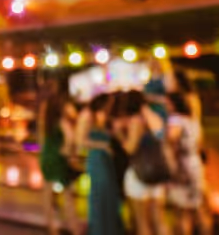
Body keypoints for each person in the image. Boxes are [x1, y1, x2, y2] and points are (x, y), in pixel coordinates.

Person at [116, 90, 169, 235]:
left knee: (142, 222)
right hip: (157, 171)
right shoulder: (155, 118)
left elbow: (130, 148)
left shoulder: (136, 121)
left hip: (139, 172)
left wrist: (120, 135)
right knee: (159, 219)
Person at [167, 93, 211, 235]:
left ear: (173, 104)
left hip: (182, 167)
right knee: (199, 209)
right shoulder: (192, 120)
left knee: (182, 213)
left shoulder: (176, 120)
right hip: (195, 164)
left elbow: (171, 140)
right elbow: (199, 143)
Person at [39, 91, 80, 235]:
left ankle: (52, 228)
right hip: (59, 158)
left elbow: (42, 140)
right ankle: (75, 229)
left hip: (46, 157)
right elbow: (71, 138)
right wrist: (67, 152)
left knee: (48, 194)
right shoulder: (62, 121)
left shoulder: (46, 121)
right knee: (67, 194)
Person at [84, 94, 124, 235]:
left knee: (110, 195)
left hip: (107, 161)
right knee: (99, 195)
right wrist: (102, 146)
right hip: (97, 159)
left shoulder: (107, 118)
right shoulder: (88, 116)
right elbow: (80, 140)